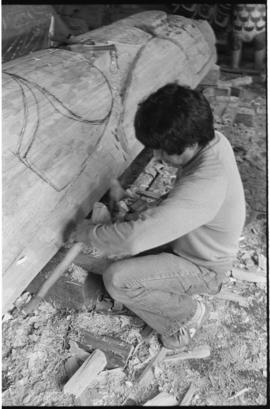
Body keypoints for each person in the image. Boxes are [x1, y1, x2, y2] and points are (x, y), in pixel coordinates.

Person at [72, 83, 246, 351]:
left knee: (118, 279)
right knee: (117, 247)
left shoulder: (207, 182)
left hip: (203, 266)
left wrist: (84, 232)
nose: (156, 156)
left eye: (162, 150)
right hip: (192, 242)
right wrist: (163, 206)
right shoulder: (210, 140)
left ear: (188, 144)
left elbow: (133, 240)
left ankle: (185, 316)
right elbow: (187, 202)